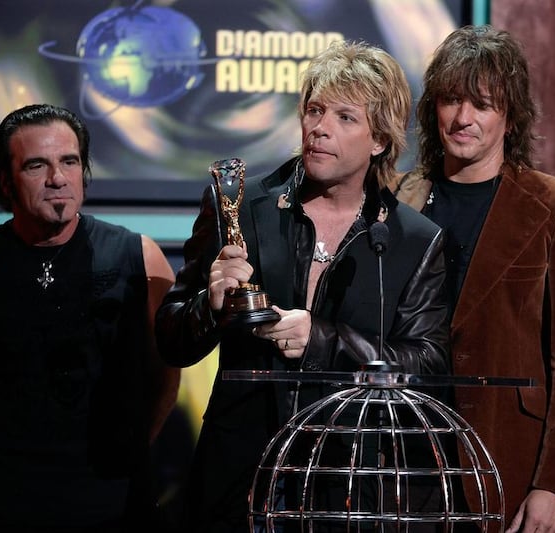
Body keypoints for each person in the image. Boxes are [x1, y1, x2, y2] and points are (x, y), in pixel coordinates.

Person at [155, 40, 450, 532]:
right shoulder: (241, 210)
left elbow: (429, 366)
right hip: (240, 483)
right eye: (314, 110)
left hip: (350, 484)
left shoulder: (414, 241)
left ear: (379, 140)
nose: (320, 127)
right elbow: (170, 337)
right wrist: (212, 303)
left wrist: (323, 339)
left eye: (344, 117)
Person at [388, 25, 555, 533]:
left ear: (510, 117)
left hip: (508, 460)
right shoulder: (398, 200)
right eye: (452, 101)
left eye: (482, 104)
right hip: (408, 459)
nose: (463, 119)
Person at [0, 103, 181, 532]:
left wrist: (128, 449)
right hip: (3, 500)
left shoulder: (139, 256)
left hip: (115, 500)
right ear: (4, 181)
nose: (57, 178)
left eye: (70, 161)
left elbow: (164, 378)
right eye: (36, 165)